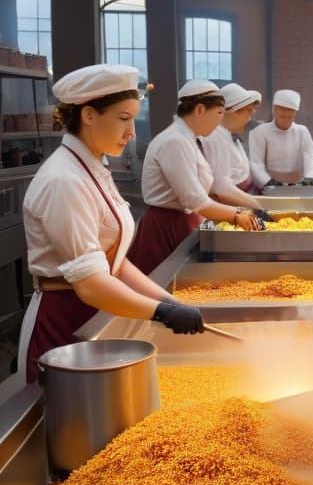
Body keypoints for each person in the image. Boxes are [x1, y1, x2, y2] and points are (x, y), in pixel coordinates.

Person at [19, 64, 206, 385]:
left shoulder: (93, 168)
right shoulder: (64, 180)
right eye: (123, 118)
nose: (132, 131)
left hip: (96, 314)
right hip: (67, 322)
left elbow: (114, 263)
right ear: (89, 115)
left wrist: (169, 302)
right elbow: (91, 284)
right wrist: (160, 312)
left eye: (133, 118)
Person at [128, 80, 264, 275]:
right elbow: (194, 199)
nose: (220, 121)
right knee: (165, 284)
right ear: (200, 109)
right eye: (218, 113)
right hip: (165, 226)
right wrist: (237, 214)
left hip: (183, 219)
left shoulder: (187, 139)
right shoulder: (174, 141)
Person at [200, 82, 265, 201]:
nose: (249, 118)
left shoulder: (230, 136)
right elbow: (219, 189)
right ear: (232, 111)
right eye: (248, 111)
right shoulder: (212, 138)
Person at [248, 89, 313, 190]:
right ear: (274, 111)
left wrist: (309, 177)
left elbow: (311, 155)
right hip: (269, 186)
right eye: (282, 116)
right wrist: (267, 182)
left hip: (296, 186)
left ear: (295, 114)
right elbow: (256, 162)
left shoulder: (302, 131)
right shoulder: (260, 132)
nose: (285, 120)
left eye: (289, 117)